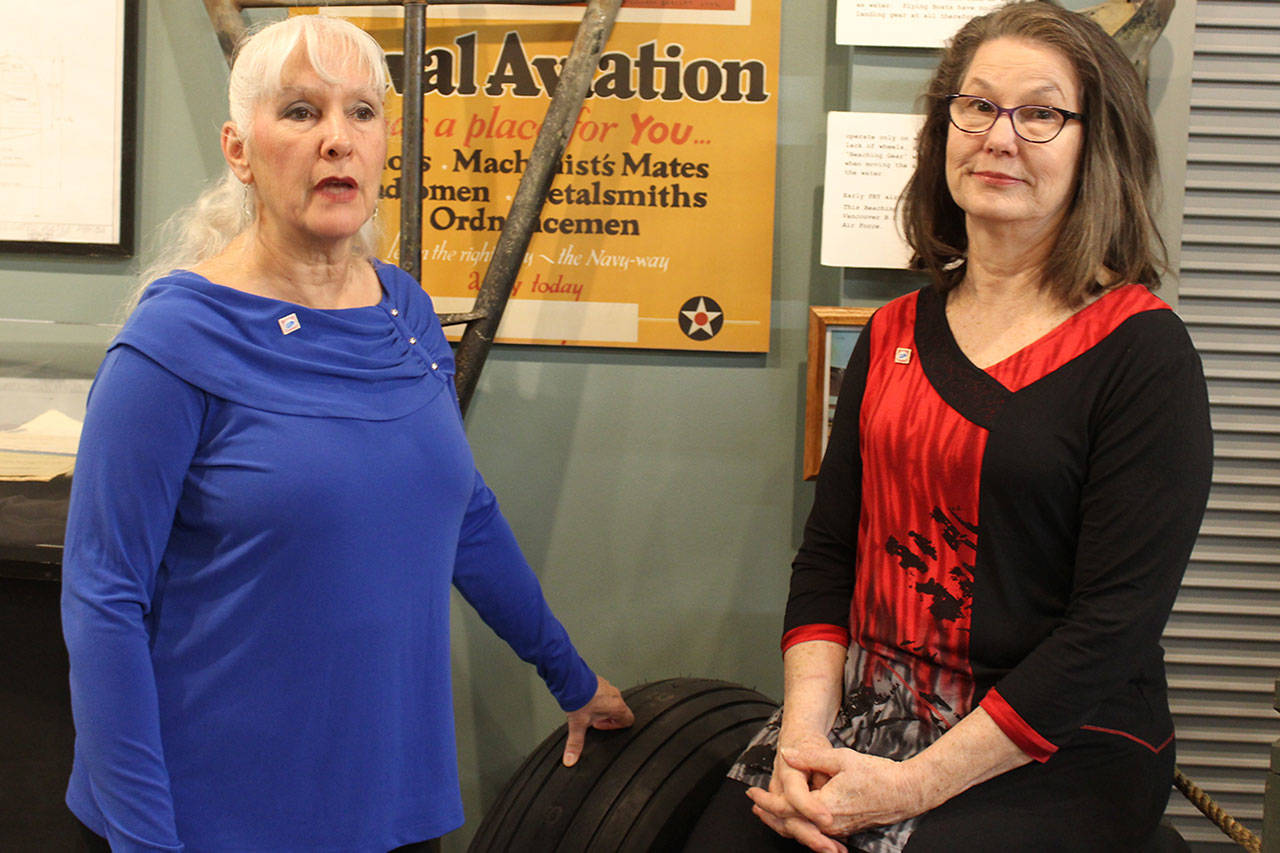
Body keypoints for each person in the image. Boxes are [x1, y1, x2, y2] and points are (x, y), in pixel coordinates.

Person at [61, 15, 633, 852]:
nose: (338, 140)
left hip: (390, 810)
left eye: (362, 113)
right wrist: (146, 843)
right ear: (239, 149)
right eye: (300, 112)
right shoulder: (173, 342)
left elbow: (462, 511)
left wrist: (570, 677)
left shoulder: (403, 311)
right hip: (211, 820)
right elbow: (103, 599)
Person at [684, 2, 1211, 851]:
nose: (1000, 136)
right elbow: (828, 557)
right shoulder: (892, 331)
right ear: (944, 129)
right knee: (729, 841)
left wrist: (908, 787)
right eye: (977, 105)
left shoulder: (1142, 353)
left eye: (1041, 113)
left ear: (1095, 145)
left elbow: (1110, 628)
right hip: (876, 702)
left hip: (1061, 738)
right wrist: (805, 741)